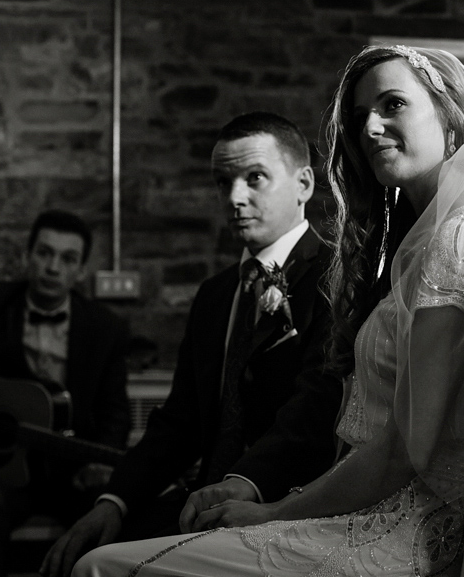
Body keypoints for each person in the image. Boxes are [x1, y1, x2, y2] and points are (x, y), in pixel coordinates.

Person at [73, 45, 464, 576]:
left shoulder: (462, 239)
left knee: (104, 568)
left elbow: (404, 448)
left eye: (393, 105)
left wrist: (273, 512)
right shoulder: (418, 247)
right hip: (367, 505)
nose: (371, 127)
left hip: (407, 530)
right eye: (361, 117)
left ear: (449, 115)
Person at [41, 112, 342, 577]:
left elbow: (315, 413)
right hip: (199, 503)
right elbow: (180, 420)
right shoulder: (216, 294)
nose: (234, 198)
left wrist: (247, 484)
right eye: (223, 182)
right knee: (85, 554)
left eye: (254, 178)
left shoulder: (335, 280)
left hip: (285, 506)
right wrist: (114, 500)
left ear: (303, 183)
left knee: (99, 569)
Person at [0, 209, 130, 577]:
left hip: (71, 473)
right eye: (44, 253)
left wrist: (99, 463)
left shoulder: (105, 328)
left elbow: (115, 412)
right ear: (28, 257)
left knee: (113, 516)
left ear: (80, 271)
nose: (52, 267)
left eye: (67, 259)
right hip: (3, 472)